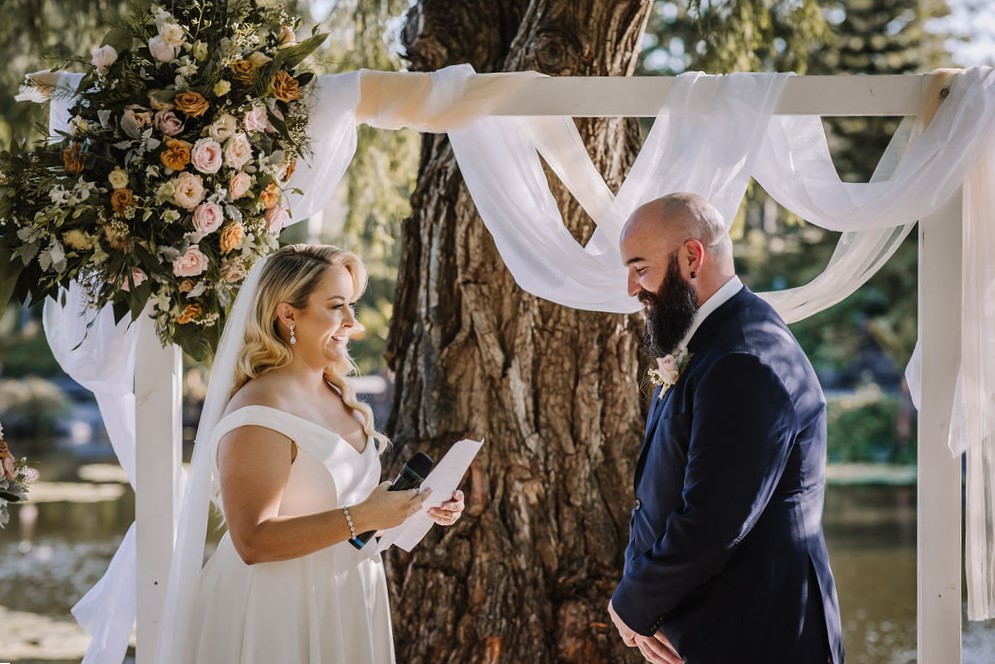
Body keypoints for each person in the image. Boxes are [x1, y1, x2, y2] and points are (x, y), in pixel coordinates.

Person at [159, 244, 464, 663]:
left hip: (346, 596)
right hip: (278, 609)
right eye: (337, 307)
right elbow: (252, 540)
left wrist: (411, 505)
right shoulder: (259, 411)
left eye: (351, 306)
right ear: (288, 314)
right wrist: (366, 515)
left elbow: (347, 513)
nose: (353, 324)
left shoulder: (340, 395)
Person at [607, 193, 844, 664]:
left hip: (760, 636)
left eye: (640, 268)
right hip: (709, 631)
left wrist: (632, 606)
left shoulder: (744, 357)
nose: (632, 289)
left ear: (692, 257)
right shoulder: (709, 343)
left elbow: (713, 520)